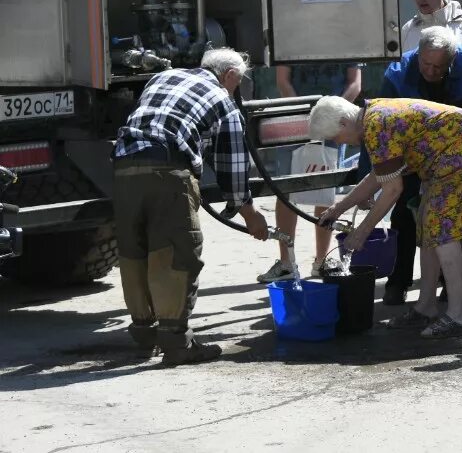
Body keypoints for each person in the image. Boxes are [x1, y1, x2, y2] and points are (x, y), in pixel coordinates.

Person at [113, 48, 269, 366]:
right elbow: (234, 170)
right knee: (174, 251)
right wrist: (251, 215)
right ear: (229, 76)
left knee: (134, 252)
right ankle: (176, 344)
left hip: (123, 166)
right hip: (168, 169)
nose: (235, 90)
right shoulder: (224, 101)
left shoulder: (163, 76)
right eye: (236, 83)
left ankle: (145, 336)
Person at [313, 96, 462, 339]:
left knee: (442, 228)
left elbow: (392, 190)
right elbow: (378, 176)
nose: (339, 143)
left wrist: (361, 233)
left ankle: (459, 315)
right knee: (426, 223)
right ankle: (426, 306)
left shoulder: (375, 124)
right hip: (456, 148)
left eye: (334, 138)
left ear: (342, 123)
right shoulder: (372, 116)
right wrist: (338, 209)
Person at [371, 27, 462, 306]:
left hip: (454, 156)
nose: (431, 71)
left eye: (439, 66)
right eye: (426, 64)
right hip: (410, 155)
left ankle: (452, 281)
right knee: (404, 215)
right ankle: (399, 281)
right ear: (417, 55)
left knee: (451, 217)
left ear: (452, 61)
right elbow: (382, 128)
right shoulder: (397, 73)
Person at [256, 62, 362, 284]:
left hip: (333, 121)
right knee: (285, 190)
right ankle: (286, 262)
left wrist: (334, 118)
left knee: (325, 190)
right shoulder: (292, 35)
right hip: (295, 119)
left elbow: (355, 83)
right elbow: (283, 80)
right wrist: (305, 116)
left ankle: (322, 261)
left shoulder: (345, 38)